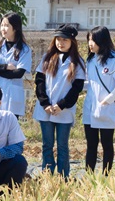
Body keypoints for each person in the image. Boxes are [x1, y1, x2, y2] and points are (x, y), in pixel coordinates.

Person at [33, 24, 85, 178]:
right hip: (46, 109)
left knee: (62, 145)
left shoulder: (78, 62)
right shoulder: (47, 57)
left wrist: (62, 105)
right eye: (58, 39)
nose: (61, 43)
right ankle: (47, 176)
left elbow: (76, 88)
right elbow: (39, 82)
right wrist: (45, 104)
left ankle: (63, 177)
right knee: (47, 145)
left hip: (64, 110)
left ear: (72, 42)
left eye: (65, 40)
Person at [82, 26, 115, 174]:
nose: (90, 43)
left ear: (102, 41)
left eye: (93, 40)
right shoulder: (90, 60)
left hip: (107, 108)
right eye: (89, 39)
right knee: (91, 144)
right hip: (90, 107)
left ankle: (106, 176)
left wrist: (109, 99)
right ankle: (89, 176)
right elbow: (88, 83)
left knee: (107, 144)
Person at [0, 12, 32, 117]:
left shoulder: (24, 49)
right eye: (1, 25)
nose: (3, 29)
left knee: (10, 131)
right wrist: (5, 67)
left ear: (15, 27)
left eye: (6, 25)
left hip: (12, 97)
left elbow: (18, 73)